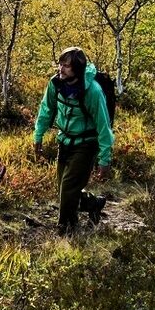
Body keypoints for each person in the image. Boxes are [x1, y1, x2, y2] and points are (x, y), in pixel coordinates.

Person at [32, 47, 114, 234]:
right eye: (60, 64)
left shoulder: (92, 91)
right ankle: (93, 203)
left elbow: (103, 127)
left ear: (77, 69)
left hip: (86, 144)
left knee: (68, 187)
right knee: (64, 190)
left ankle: (66, 231)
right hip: (65, 141)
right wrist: (38, 135)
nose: (61, 69)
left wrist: (104, 160)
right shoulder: (55, 84)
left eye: (66, 66)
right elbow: (46, 110)